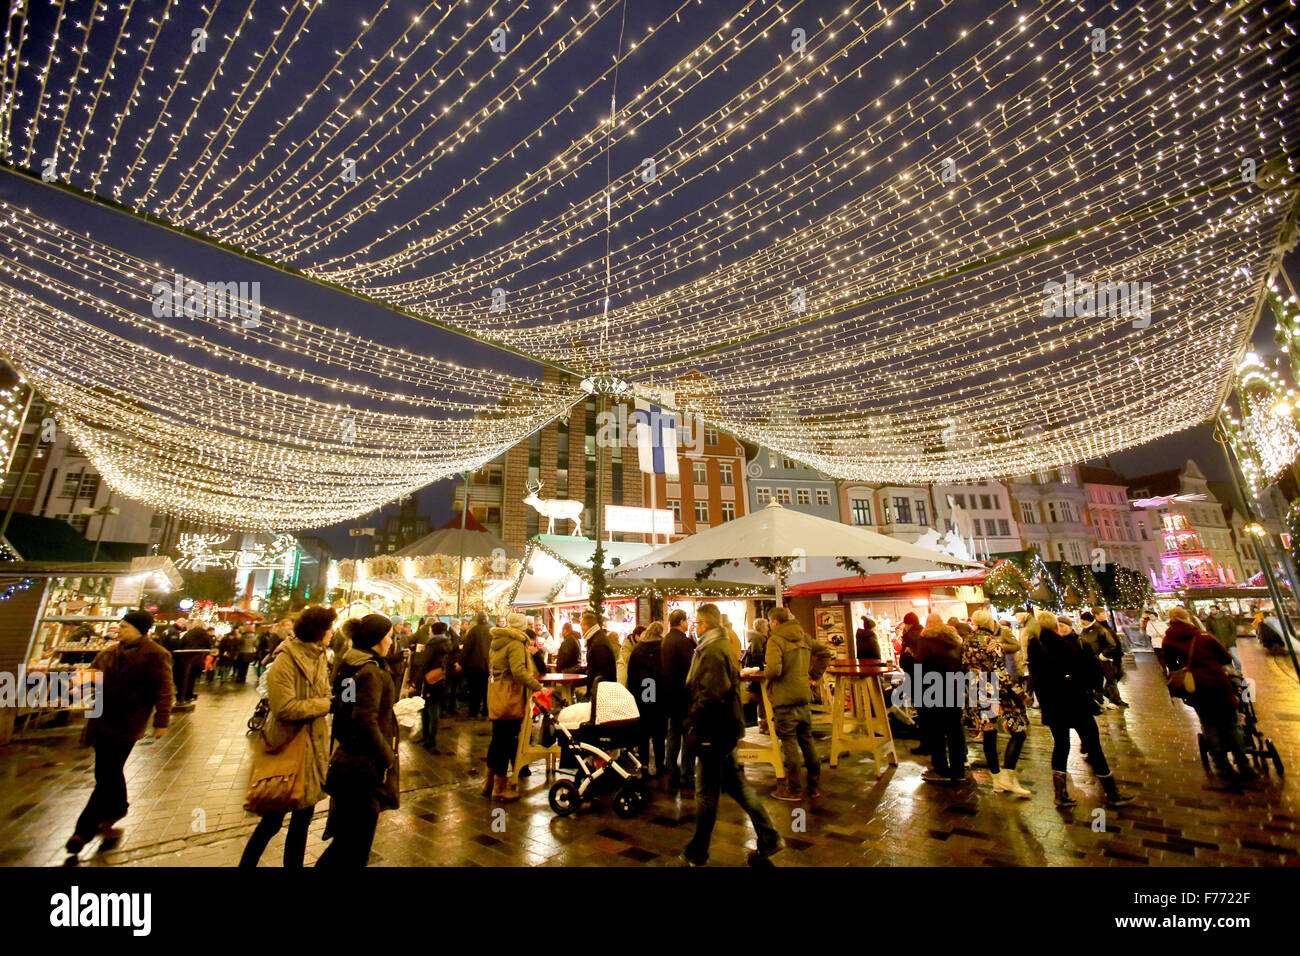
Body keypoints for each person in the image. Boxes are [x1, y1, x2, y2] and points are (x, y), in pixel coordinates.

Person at [680, 603, 783, 867]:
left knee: (706, 792)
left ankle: (698, 851)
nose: (696, 628)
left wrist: (694, 721)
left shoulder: (713, 650)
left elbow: (712, 693)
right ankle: (768, 836)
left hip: (713, 729)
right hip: (725, 727)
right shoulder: (722, 644)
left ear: (708, 624)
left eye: (699, 623)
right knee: (736, 786)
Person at [65, 611, 173, 856]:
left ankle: (83, 831)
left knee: (106, 775)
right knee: (106, 772)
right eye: (119, 626)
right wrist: (76, 683)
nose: (119, 630)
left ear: (139, 629)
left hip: (129, 721)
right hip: (101, 719)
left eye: (124, 626)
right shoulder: (109, 653)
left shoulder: (156, 655)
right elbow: (92, 675)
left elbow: (164, 689)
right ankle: (118, 807)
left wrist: (161, 720)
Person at [240, 606, 335, 867]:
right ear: (318, 630)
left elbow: (324, 692)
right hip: (288, 745)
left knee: (303, 819)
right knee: (272, 821)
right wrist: (327, 705)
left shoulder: (319, 656)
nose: (333, 632)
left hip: (313, 745)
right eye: (330, 627)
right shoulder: (285, 659)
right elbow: (284, 707)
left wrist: (327, 701)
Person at [1027, 610, 1133, 808]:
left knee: (1060, 746)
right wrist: (1093, 689)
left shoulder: (1034, 647)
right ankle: (1112, 792)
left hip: (1052, 705)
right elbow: (1088, 670)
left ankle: (1060, 794)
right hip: (1075, 703)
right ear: (1055, 627)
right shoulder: (1067, 646)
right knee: (1093, 744)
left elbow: (1036, 677)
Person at [318, 614, 399, 867]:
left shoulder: (350, 664)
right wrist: (387, 755)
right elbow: (365, 718)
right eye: (388, 636)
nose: (391, 641)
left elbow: (348, 707)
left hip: (347, 758)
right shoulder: (371, 672)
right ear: (377, 639)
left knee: (347, 838)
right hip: (364, 764)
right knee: (355, 842)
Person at [1160, 607, 1257, 786]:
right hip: (1218, 683)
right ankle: (1244, 765)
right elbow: (1226, 658)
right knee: (1232, 723)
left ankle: (1221, 766)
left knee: (1208, 724)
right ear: (1187, 618)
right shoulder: (1203, 636)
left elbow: (1170, 665)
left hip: (1196, 686)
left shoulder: (1168, 640)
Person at [764, 607, 832, 801]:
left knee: (789, 743)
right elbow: (825, 652)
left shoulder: (775, 640)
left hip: (784, 698)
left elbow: (774, 670)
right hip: (803, 696)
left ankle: (793, 789)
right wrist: (813, 675)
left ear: (775, 622)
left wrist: (766, 671)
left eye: (770, 622)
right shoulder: (803, 636)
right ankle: (814, 785)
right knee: (806, 740)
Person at [967, 609, 1031, 796]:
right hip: (997, 692)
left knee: (989, 734)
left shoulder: (967, 641)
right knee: (1019, 732)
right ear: (989, 622)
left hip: (976, 691)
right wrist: (1020, 694)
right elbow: (1000, 673)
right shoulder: (990, 642)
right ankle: (1007, 776)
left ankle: (996, 780)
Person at [484, 613, 543, 801]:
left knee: (497, 739)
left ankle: (489, 782)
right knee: (507, 740)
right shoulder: (516, 644)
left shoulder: (497, 642)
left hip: (497, 693)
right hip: (511, 696)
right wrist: (538, 687)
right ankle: (500, 789)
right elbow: (518, 672)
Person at [915, 612, 967, 784]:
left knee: (936, 731)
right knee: (954, 730)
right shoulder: (955, 641)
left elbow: (919, 668)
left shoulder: (925, 642)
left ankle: (941, 769)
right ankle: (959, 768)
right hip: (954, 687)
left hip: (933, 689)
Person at [661, 608, 697, 791]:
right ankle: (687, 773)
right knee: (688, 735)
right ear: (682, 621)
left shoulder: (666, 640)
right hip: (684, 696)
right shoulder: (683, 642)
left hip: (669, 695)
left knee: (673, 734)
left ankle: (671, 769)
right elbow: (692, 668)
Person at [628, 622, 667, 777]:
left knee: (643, 731)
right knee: (659, 732)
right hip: (659, 694)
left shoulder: (638, 649)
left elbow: (631, 675)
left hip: (642, 693)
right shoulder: (663, 648)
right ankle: (660, 764)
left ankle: (643, 763)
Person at [408, 621, 453, 752]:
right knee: (434, 707)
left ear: (433, 631)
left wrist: (415, 683)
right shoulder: (447, 643)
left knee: (429, 708)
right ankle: (428, 737)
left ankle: (429, 739)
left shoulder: (432, 645)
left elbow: (424, 664)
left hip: (430, 680)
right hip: (442, 679)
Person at [1079, 610, 1127, 709]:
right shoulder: (1085, 630)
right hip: (1092, 660)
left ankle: (1115, 699)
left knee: (1112, 678)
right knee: (1099, 680)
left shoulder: (1099, 628)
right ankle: (1100, 695)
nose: (1082, 622)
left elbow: (1111, 644)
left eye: (1083, 620)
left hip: (1104, 659)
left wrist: (1103, 655)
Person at [459, 611, 493, 719]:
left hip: (474, 666)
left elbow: (466, 649)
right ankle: (486, 710)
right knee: (487, 690)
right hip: (490, 665)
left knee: (474, 690)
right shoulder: (493, 630)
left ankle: (473, 711)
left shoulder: (473, 631)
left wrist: (461, 662)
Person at [582, 610, 618, 691]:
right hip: (602, 687)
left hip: (602, 690)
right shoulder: (597, 638)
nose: (581, 630)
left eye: (582, 626)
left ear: (586, 626)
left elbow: (603, 671)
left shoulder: (598, 642)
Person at [1205, 605, 1242, 672]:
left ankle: (1239, 671)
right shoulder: (1209, 619)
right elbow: (1209, 631)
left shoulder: (1227, 618)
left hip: (1230, 642)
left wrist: (1232, 638)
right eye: (1211, 610)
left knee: (1234, 656)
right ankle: (1230, 671)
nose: (1212, 611)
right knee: (1224, 658)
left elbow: (1233, 628)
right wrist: (1214, 639)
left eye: (1213, 609)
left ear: (1218, 610)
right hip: (1219, 643)